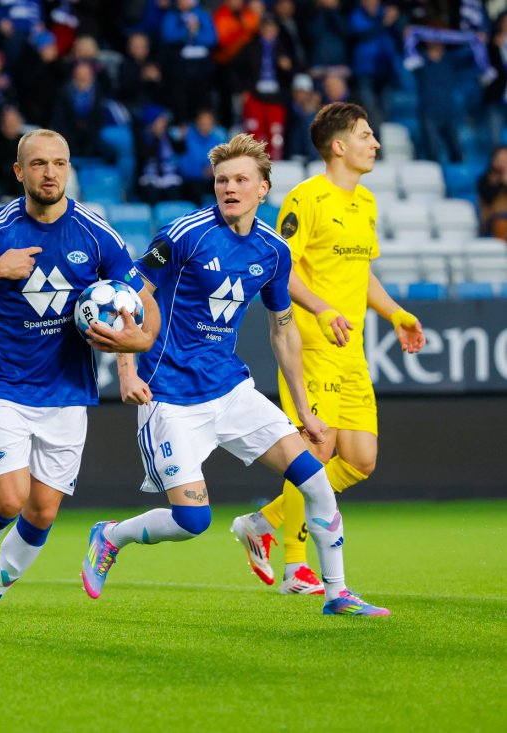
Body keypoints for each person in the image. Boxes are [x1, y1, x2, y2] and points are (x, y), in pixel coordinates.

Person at [80, 133, 392, 617]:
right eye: (222, 179)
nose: (229, 187)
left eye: (241, 179)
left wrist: (305, 410)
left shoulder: (273, 250)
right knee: (192, 520)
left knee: (315, 480)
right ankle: (110, 535)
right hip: (170, 396)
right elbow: (127, 296)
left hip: (231, 390)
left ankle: (338, 593)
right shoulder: (183, 234)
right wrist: (126, 370)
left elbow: (283, 332)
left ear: (263, 189)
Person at [0, 129, 159, 637]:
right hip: (6, 387)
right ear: (19, 172)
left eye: (59, 163)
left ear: (69, 168)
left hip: (69, 394)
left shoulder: (97, 233)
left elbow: (142, 298)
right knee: (8, 499)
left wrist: (136, 346)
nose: (50, 172)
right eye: (38, 164)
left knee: (42, 510)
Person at [228, 103, 425, 594]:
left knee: (360, 459)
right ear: (339, 146)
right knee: (316, 449)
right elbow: (282, 266)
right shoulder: (306, 199)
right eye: (365, 134)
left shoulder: (366, 203)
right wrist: (320, 308)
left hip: (352, 348)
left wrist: (395, 312)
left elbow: (361, 274)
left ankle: (261, 523)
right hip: (313, 344)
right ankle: (297, 567)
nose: (374, 143)